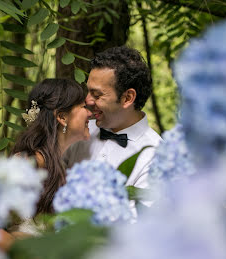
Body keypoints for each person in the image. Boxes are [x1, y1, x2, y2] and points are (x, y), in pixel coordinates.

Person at [64, 46, 161, 190]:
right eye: (88, 91)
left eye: (97, 95)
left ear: (127, 98)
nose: (87, 100)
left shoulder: (156, 156)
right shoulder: (80, 130)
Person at [12, 78, 92, 215]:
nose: (90, 113)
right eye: (83, 106)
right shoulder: (26, 164)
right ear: (62, 117)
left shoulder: (67, 164)